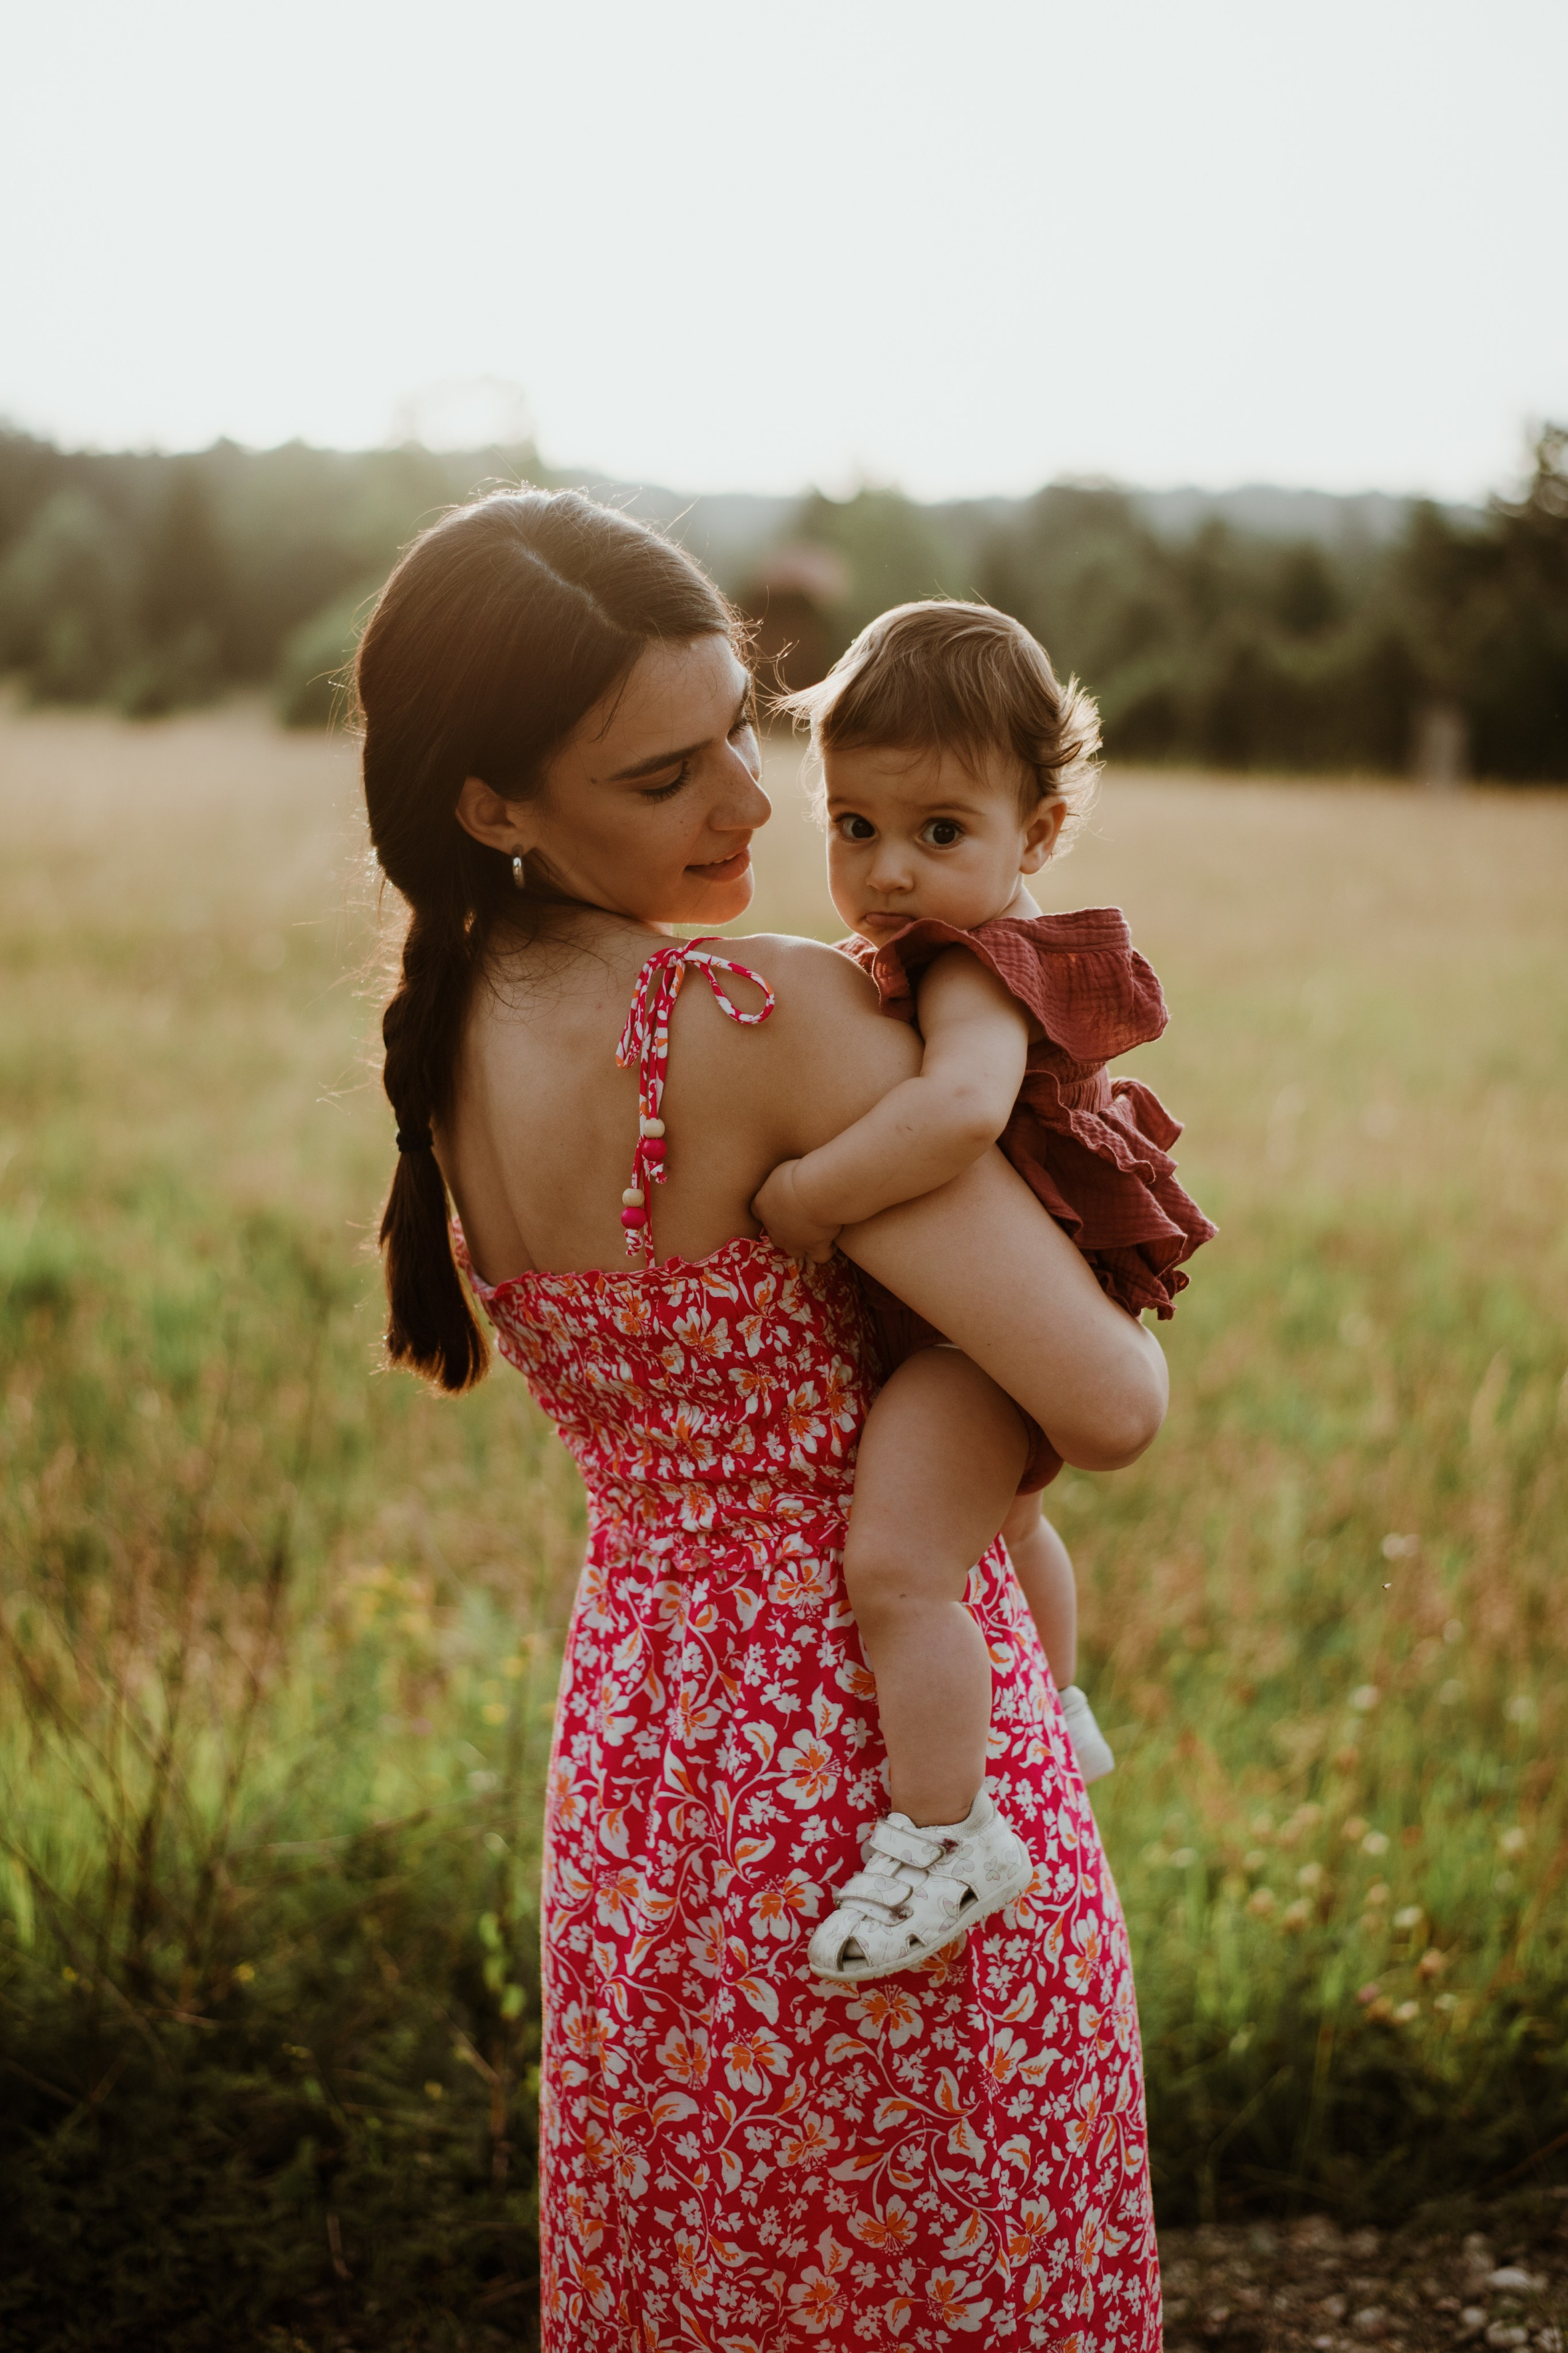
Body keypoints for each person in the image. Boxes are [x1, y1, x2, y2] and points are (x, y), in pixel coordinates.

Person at [357, 487, 1168, 2351]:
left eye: (740, 727)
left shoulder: (450, 1020)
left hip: (646, 1753)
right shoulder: (760, 1011)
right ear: (494, 806)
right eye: (665, 775)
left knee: (701, 2266)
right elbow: (1110, 1399)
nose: (746, 802)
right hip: (885, 1771)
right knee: (948, 2274)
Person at [752, 602, 1215, 1983]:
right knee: (1008, 1520)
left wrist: (810, 1195)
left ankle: (947, 1827)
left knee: (897, 1569)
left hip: (984, 1332)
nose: (888, 868)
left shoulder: (971, 966)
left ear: (1040, 833)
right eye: (853, 826)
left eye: (940, 831)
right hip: (1008, 1306)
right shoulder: (949, 935)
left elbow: (958, 1115)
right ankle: (1054, 1712)